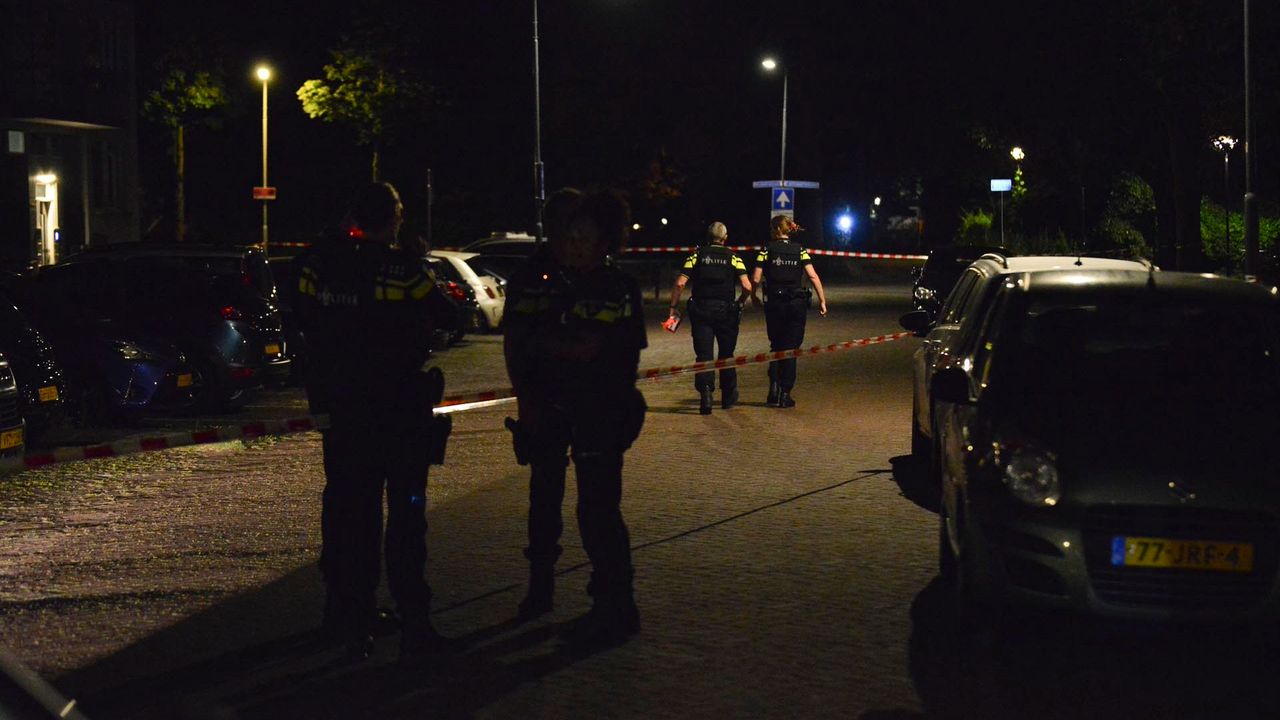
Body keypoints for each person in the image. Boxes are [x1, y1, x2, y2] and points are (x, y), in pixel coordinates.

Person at [294, 182, 457, 659]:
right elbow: (447, 313)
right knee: (406, 516)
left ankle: (346, 616)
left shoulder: (318, 264)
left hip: (342, 413)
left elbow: (299, 314)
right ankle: (414, 622)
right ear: (394, 218)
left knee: (349, 514)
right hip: (399, 411)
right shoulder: (401, 268)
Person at [503, 188, 647, 646]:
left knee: (598, 511)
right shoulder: (559, 279)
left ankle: (615, 605)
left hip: (601, 413)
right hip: (562, 408)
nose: (574, 242)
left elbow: (586, 347)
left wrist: (545, 340)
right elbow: (521, 341)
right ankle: (588, 598)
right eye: (570, 233)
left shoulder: (612, 286)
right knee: (558, 500)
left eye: (583, 234)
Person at [667, 221, 752, 414]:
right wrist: (740, 302)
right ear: (725, 238)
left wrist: (673, 307)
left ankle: (705, 395)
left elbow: (680, 283)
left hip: (701, 311)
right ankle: (728, 396)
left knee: (704, 355)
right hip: (726, 312)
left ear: (708, 236)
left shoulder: (696, 256)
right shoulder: (734, 257)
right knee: (726, 354)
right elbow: (747, 286)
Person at [750, 214, 827, 408]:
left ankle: (773, 387)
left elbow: (756, 278)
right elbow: (813, 276)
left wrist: (752, 296)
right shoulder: (800, 250)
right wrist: (822, 301)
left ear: (775, 230)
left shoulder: (766, 249)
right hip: (795, 305)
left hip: (774, 303)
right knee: (791, 348)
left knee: (775, 346)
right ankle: (785, 393)